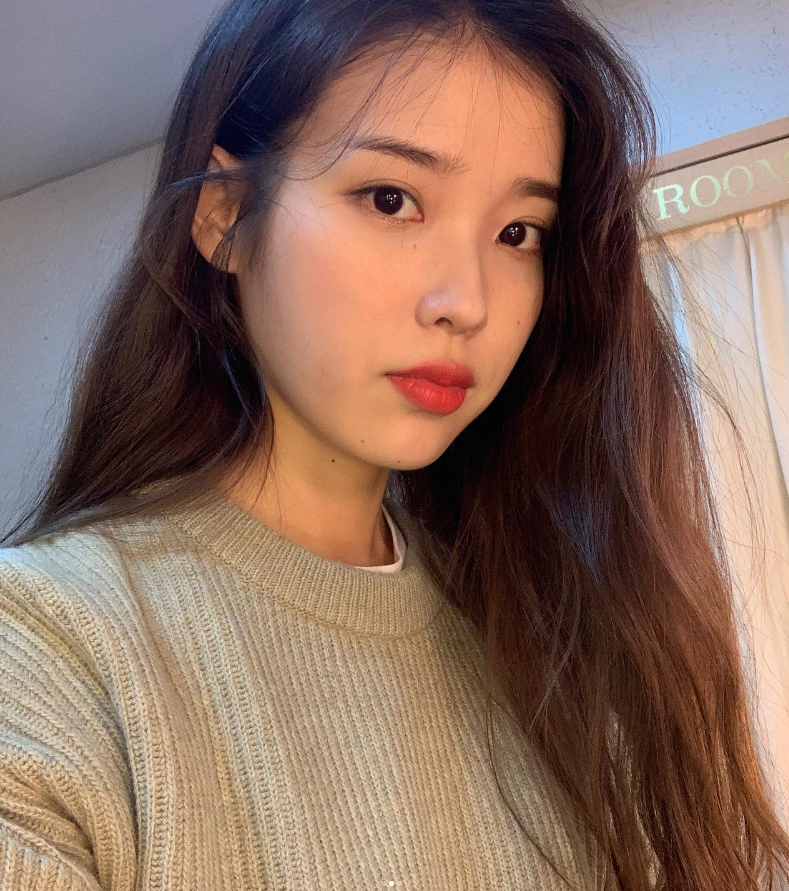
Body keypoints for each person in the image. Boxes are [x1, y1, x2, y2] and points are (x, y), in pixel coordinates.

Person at [1, 0, 787, 889]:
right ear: (224, 216)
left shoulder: (552, 629)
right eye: (391, 199)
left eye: (517, 233)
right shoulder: (47, 645)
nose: (466, 302)